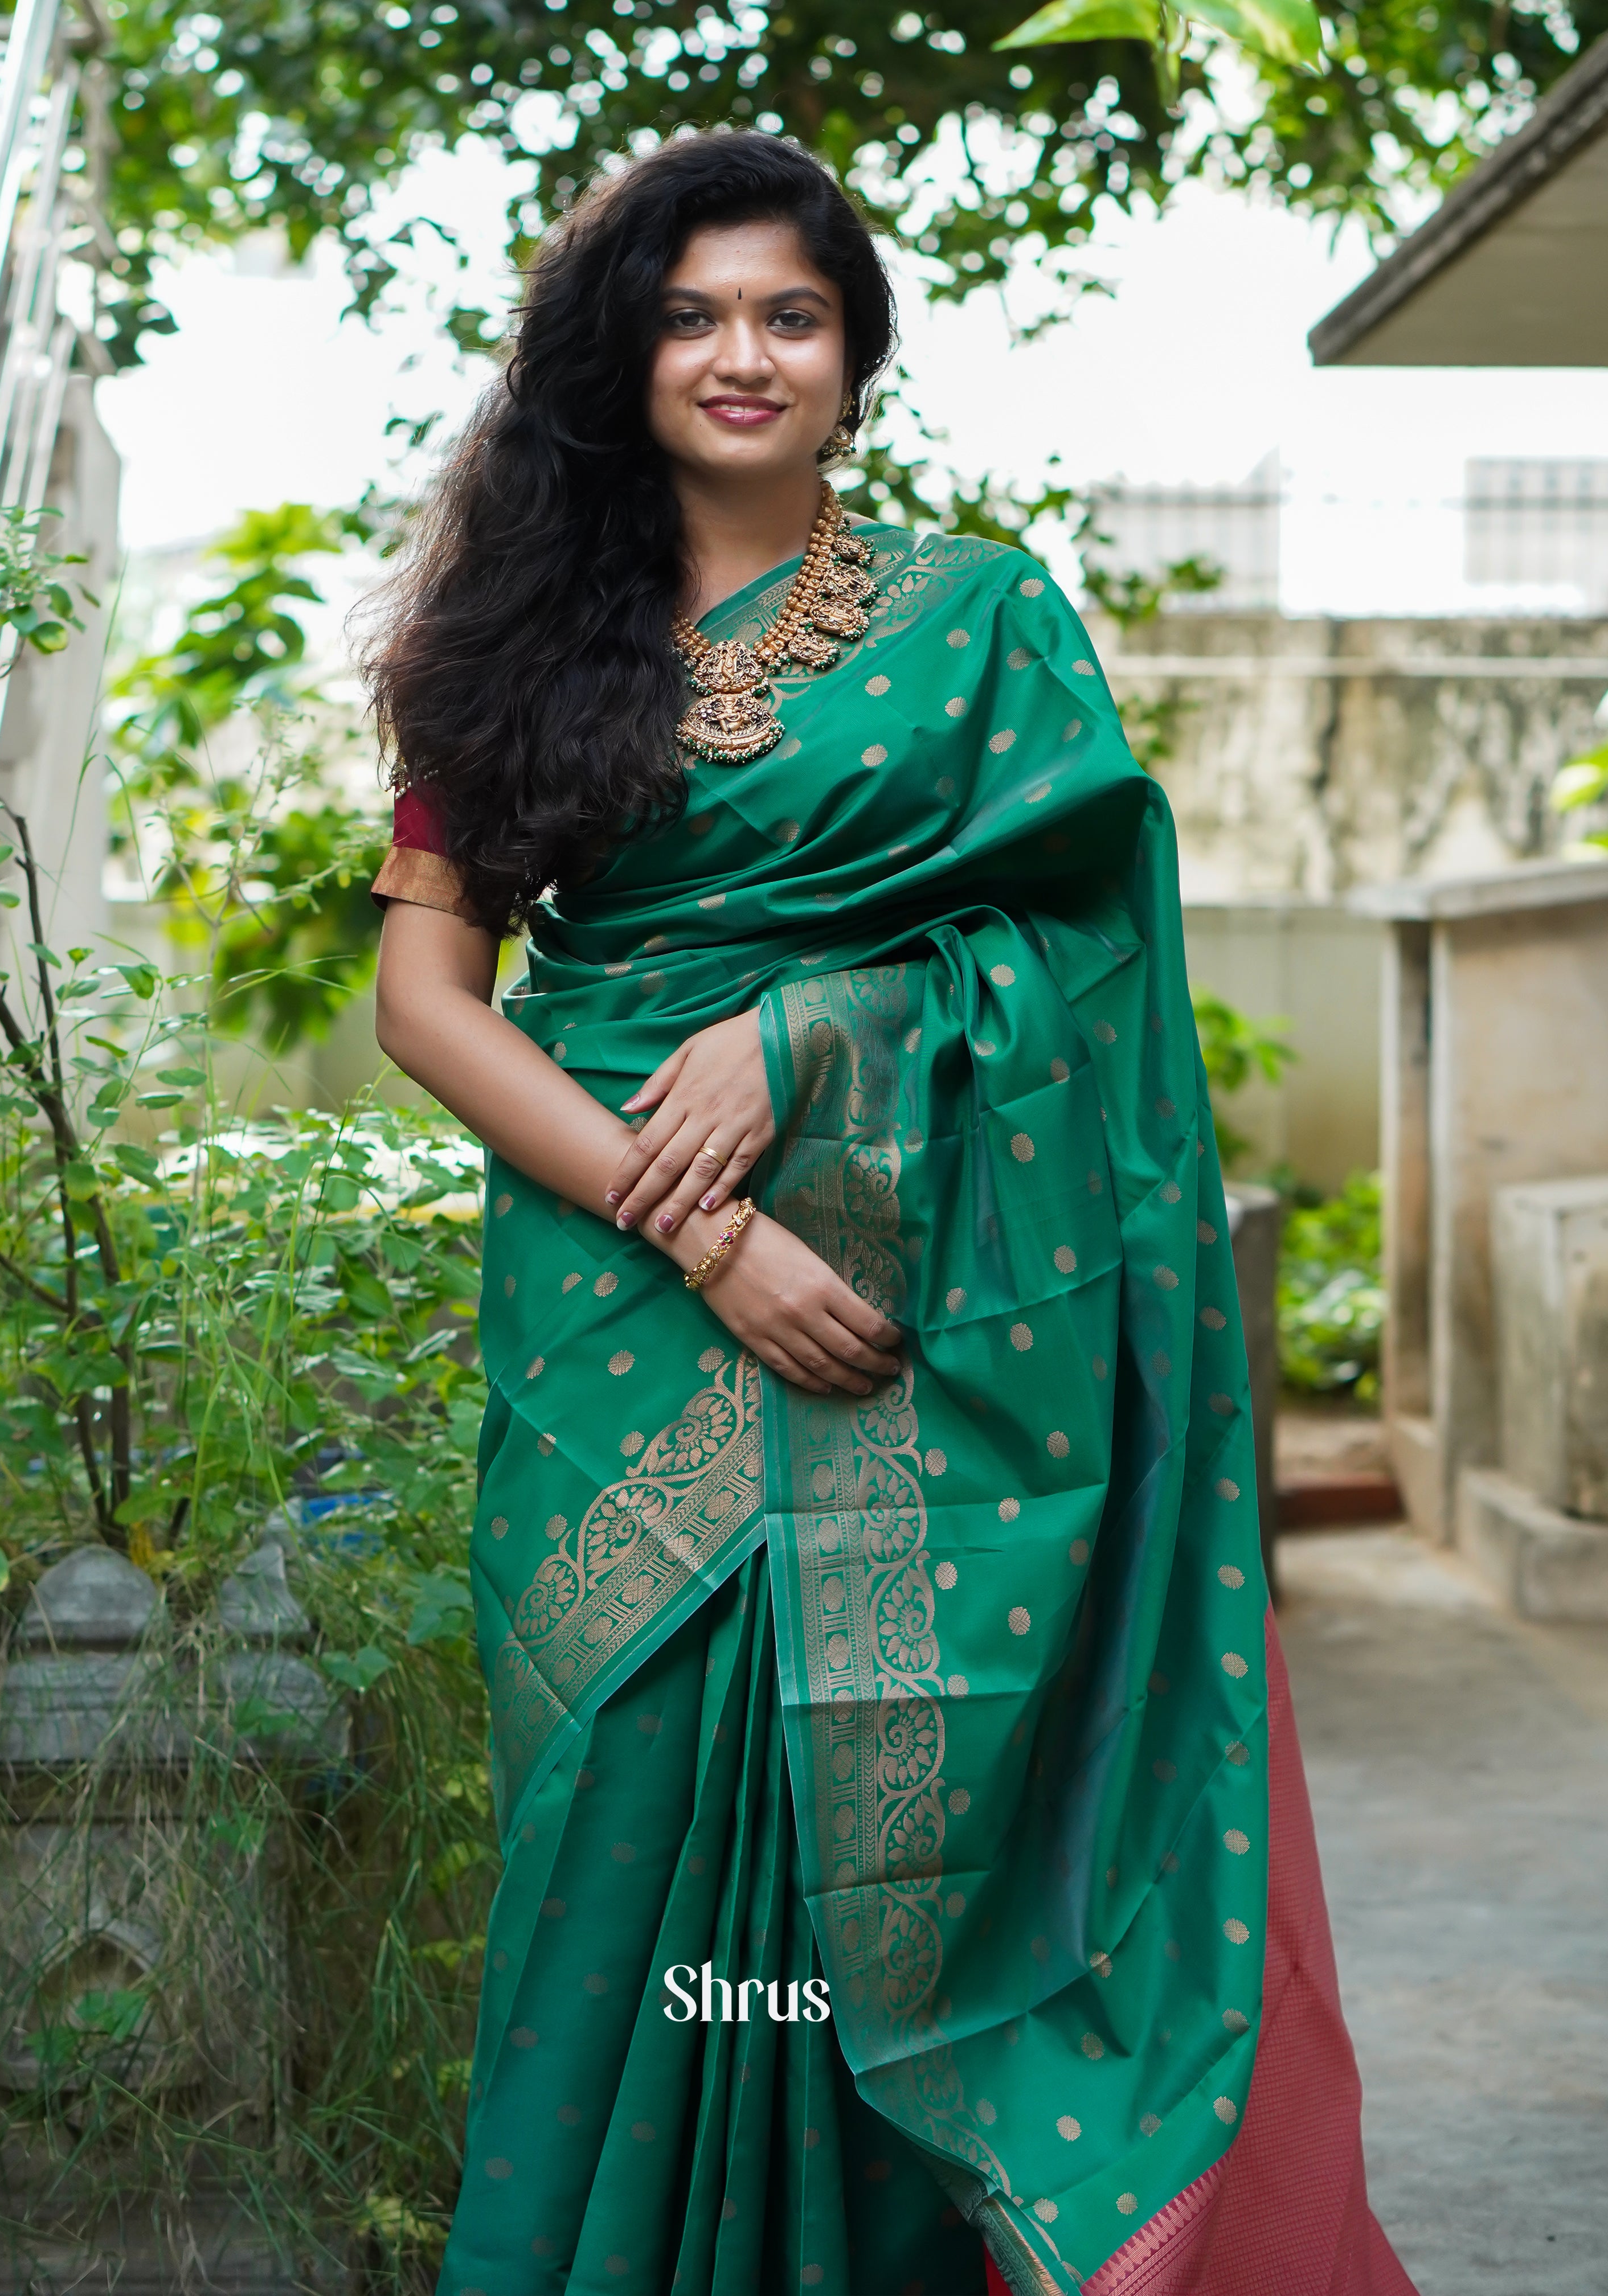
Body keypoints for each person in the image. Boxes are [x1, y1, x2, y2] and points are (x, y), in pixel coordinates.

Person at [365, 128, 1417, 2296]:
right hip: (614, 1304)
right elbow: (426, 1002)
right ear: (620, 351)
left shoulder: (985, 620)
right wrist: (704, 1231)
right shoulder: (499, 639)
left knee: (916, 1838)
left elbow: (1087, 967)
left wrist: (826, 1033)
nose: (739, 353)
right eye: (690, 313)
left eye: (789, 313)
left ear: (854, 356)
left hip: (918, 1306)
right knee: (623, 1844)